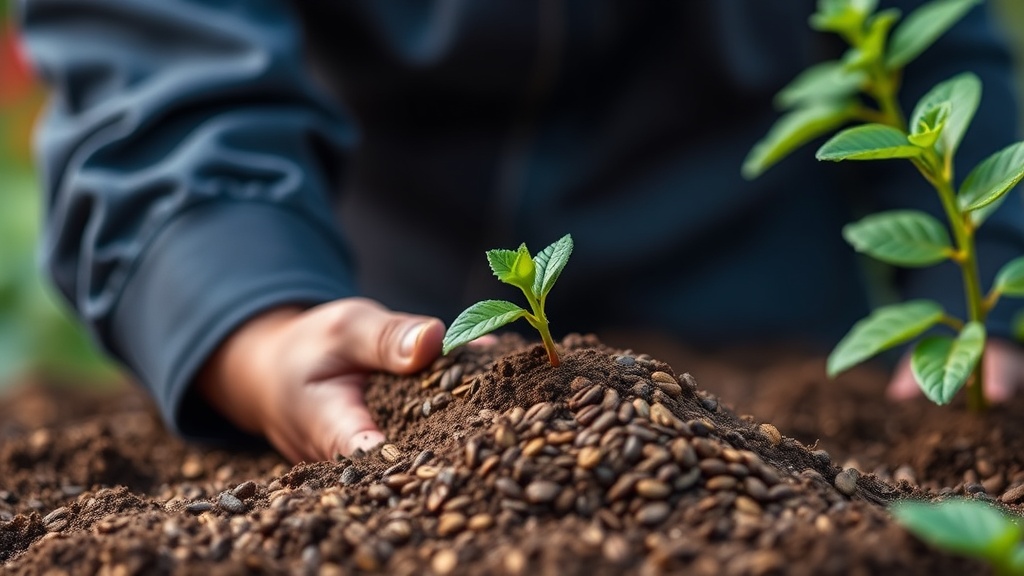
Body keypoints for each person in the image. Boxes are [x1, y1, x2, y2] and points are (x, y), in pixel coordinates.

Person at [17, 0, 1024, 463]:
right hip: (381, 307)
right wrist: (245, 306)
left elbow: (932, 33)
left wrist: (989, 287)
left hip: (767, 307)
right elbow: (153, 48)